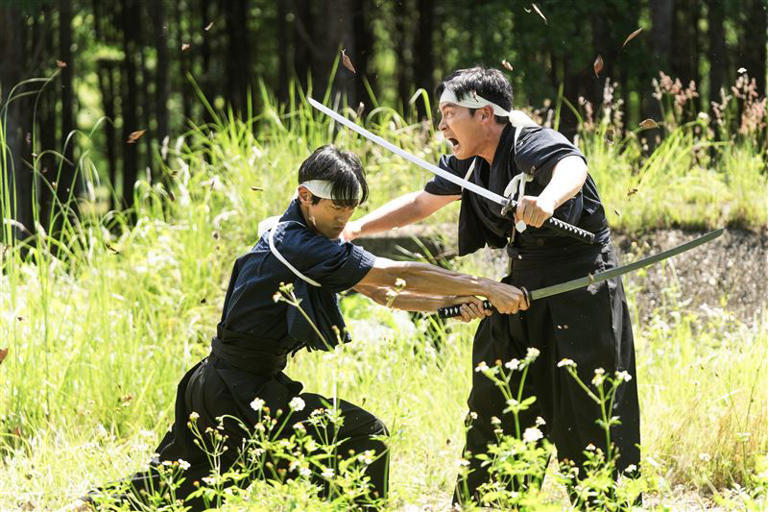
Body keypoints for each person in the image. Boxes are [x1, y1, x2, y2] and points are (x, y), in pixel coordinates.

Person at [77, 145, 528, 511]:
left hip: (216, 386)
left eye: (351, 209)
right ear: (305, 196)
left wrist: (453, 302)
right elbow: (393, 275)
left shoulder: (299, 235)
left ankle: (93, 506)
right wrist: (484, 284)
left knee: (183, 486)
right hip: (237, 388)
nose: (344, 220)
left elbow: (378, 293)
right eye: (336, 207)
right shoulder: (297, 244)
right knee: (362, 435)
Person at [342, 67, 641, 505]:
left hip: (582, 291)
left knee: (589, 411)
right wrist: (355, 229)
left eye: (448, 114)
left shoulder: (528, 140)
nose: (441, 126)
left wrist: (547, 200)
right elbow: (422, 203)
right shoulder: (466, 161)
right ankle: (491, 502)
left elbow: (572, 166)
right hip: (520, 290)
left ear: (485, 114)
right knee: (498, 399)